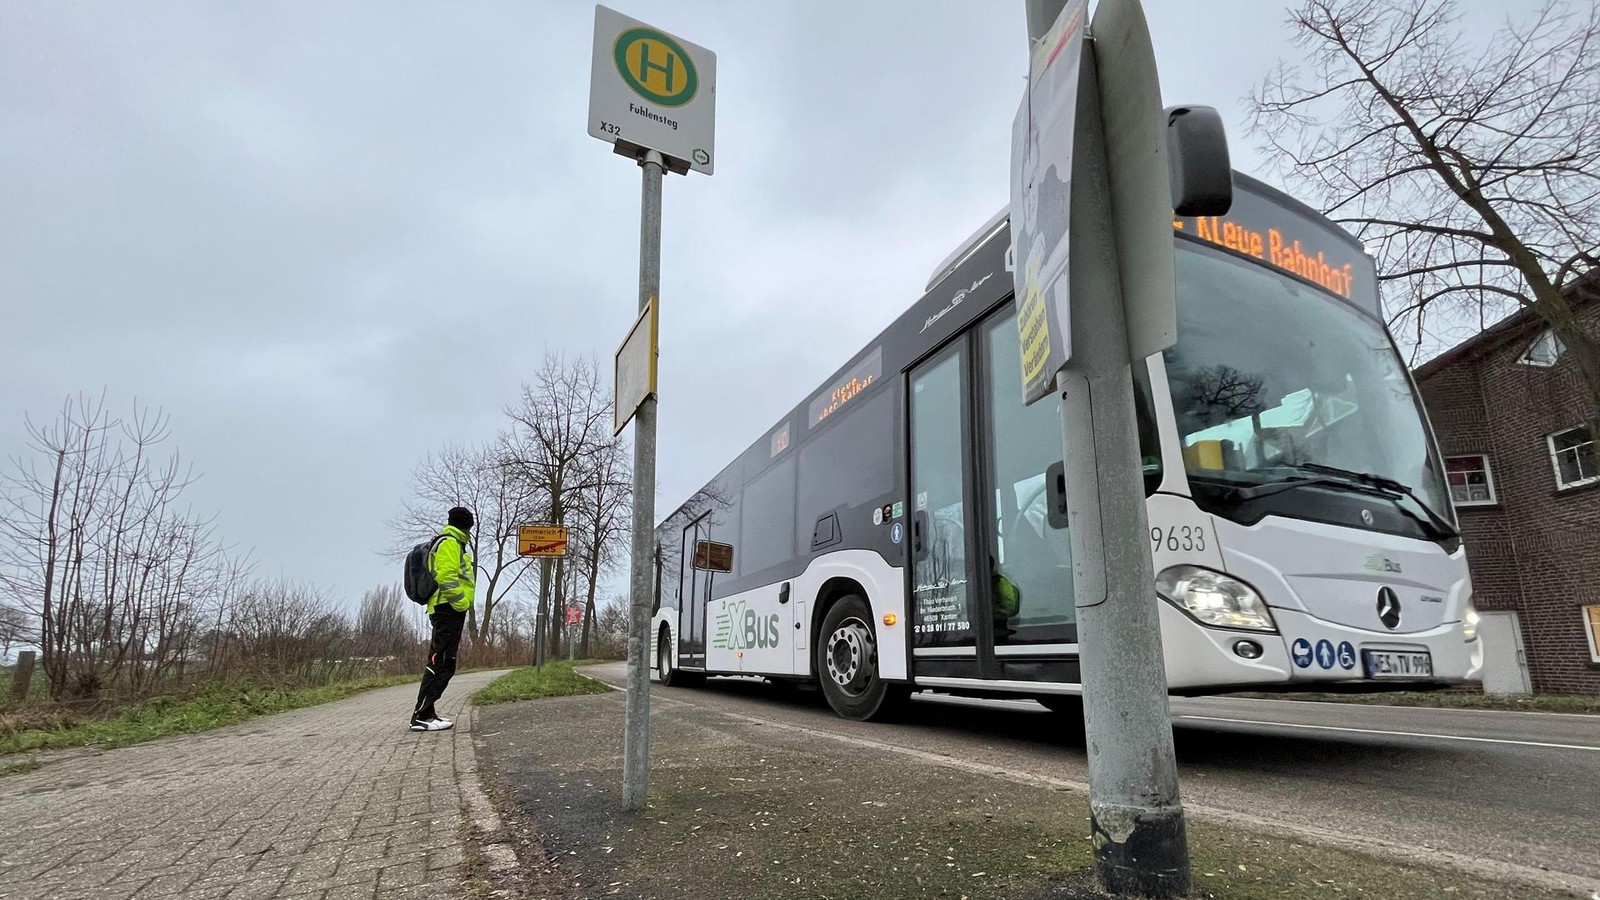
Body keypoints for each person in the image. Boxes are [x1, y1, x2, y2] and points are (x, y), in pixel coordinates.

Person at [410, 506, 475, 732]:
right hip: (447, 609)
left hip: (446, 609)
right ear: (468, 525)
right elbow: (446, 576)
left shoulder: (452, 543)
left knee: (445, 662)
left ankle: (428, 712)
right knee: (441, 662)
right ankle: (421, 716)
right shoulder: (449, 543)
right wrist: (461, 603)